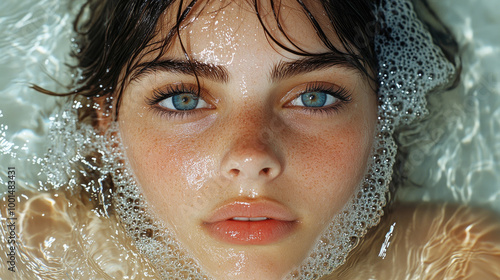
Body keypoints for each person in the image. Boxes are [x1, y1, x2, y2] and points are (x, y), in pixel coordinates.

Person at [3, 0, 499, 279]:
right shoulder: (19, 250)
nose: (250, 156)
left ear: (382, 115)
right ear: (108, 126)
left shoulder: (465, 260)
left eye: (314, 98)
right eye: (182, 99)